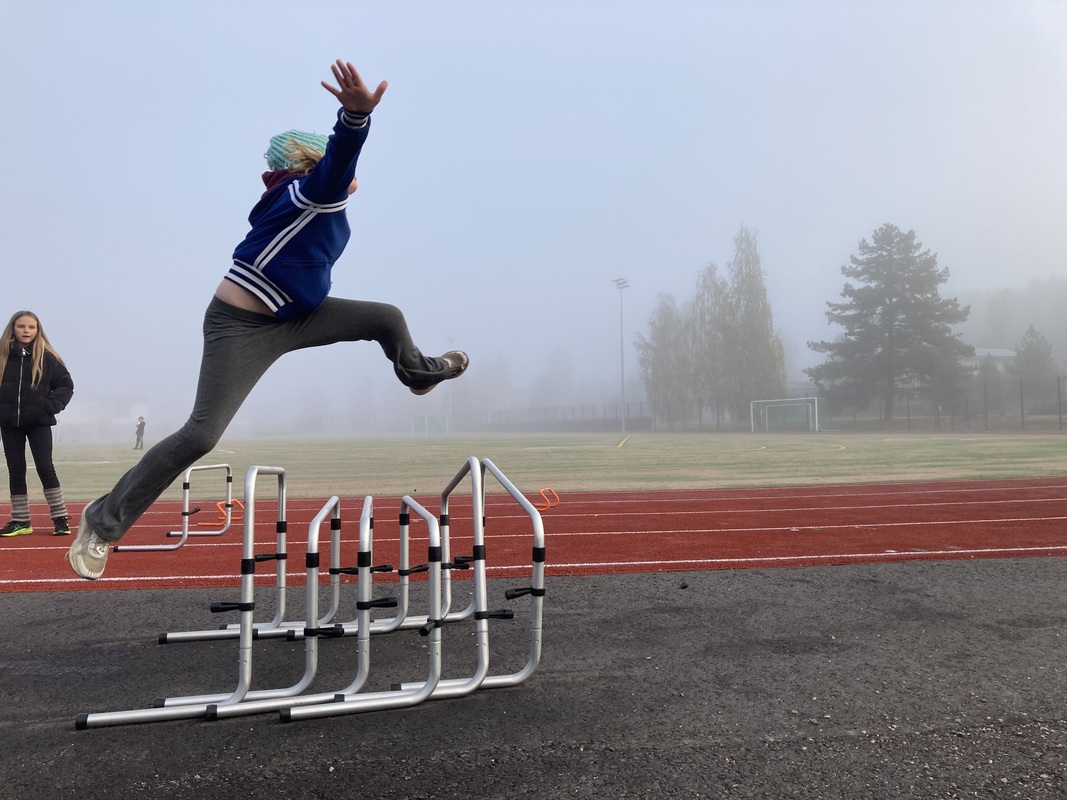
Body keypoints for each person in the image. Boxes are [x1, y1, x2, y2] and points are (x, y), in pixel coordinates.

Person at [67, 59, 468, 580]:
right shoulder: (312, 194)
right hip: (241, 325)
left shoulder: (308, 201)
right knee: (201, 435)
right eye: (335, 167)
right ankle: (102, 522)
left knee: (385, 318)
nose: (353, 177)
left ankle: (418, 373)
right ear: (311, 164)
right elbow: (340, 160)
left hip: (298, 316)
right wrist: (355, 118)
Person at [0, 311, 74, 537]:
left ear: (37, 330)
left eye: (31, 327)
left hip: (39, 422)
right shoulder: (2, 356)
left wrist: (50, 406)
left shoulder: (48, 357)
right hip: (9, 423)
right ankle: (21, 521)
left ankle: (60, 519)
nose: (26, 331)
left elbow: (65, 385)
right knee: (16, 470)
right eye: (21, 326)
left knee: (45, 467)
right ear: (13, 328)